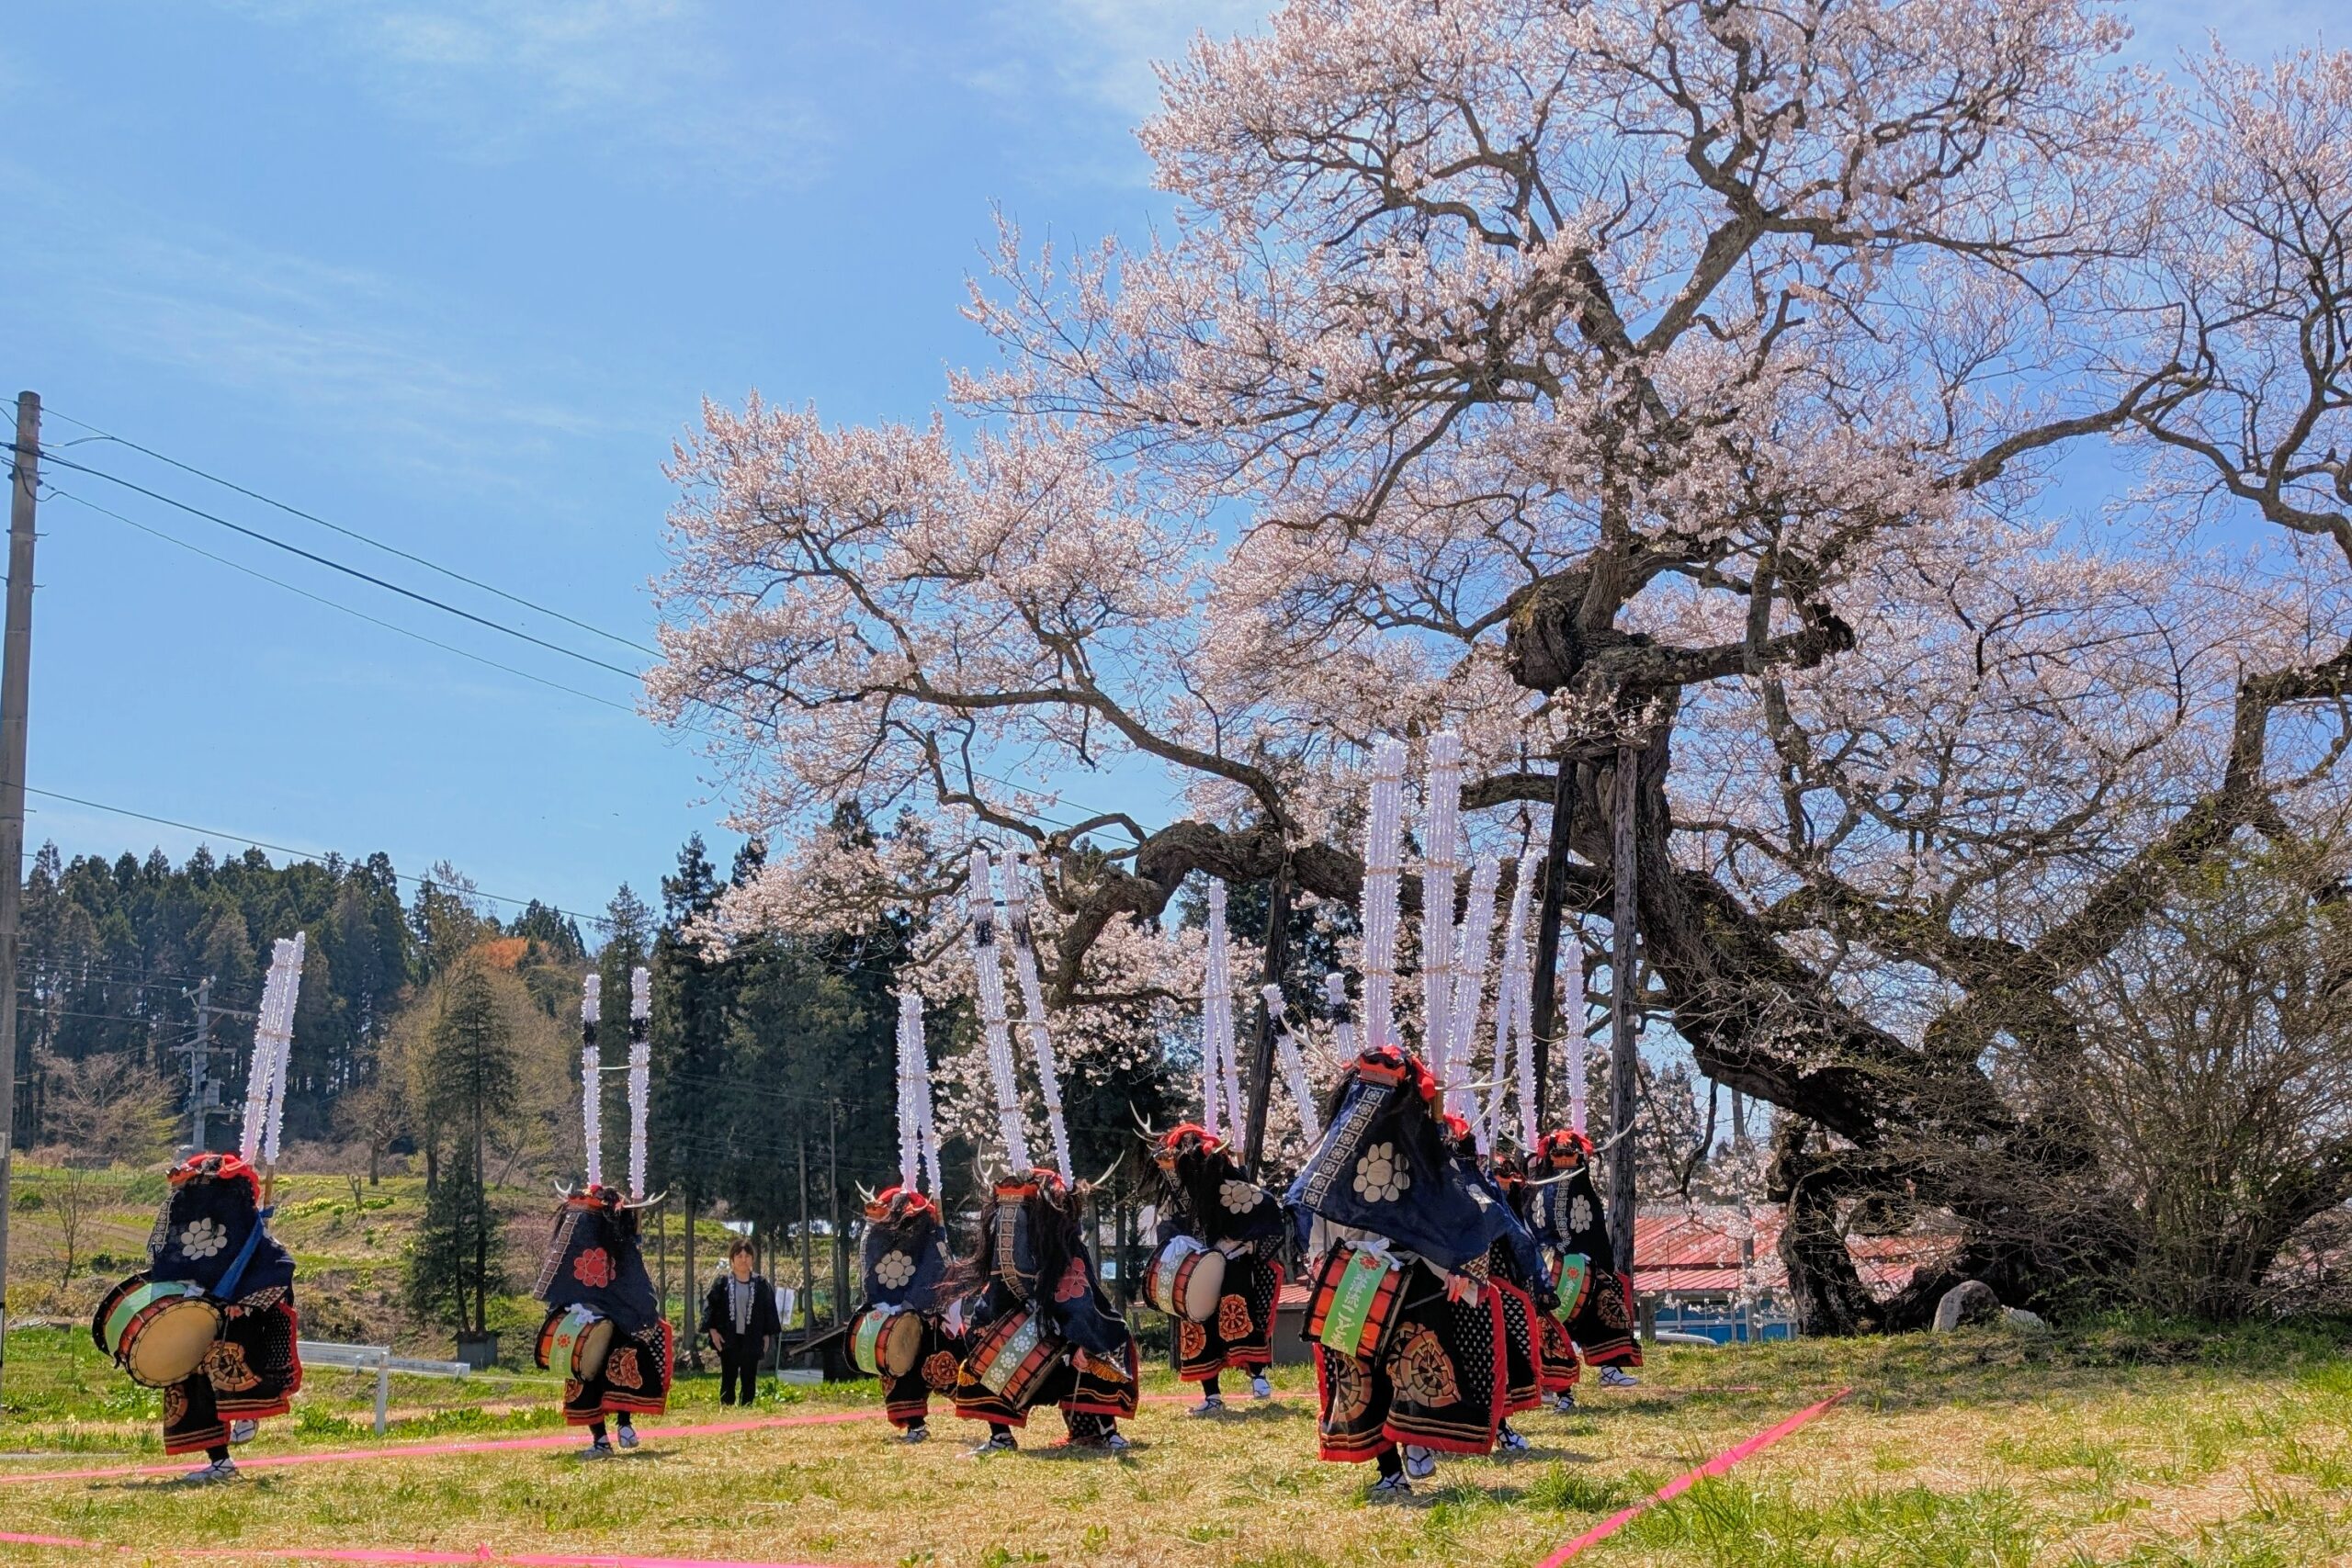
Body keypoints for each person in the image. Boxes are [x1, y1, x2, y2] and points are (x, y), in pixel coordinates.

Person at [1286, 1043, 1529, 1499]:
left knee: (1416, 1354)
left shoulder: (1425, 1148)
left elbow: (1455, 1206)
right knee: (1358, 1369)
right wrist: (1319, 1258)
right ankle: (1387, 1470)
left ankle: (1417, 1436)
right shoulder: (1335, 1150)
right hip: (1354, 1269)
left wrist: (1459, 1262)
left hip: (1416, 1268)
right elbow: (1316, 1203)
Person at [94, 1152, 302, 1482]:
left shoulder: (247, 1229)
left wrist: (244, 1301)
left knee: (231, 1359)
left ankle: (247, 1413)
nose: (191, 1194)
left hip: (245, 1321)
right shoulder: (185, 1222)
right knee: (186, 1374)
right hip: (198, 1315)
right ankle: (220, 1461)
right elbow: (172, 1268)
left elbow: (278, 1271)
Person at [951, 1168, 1138, 1455]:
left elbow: (1080, 1297)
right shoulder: (1003, 1254)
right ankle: (1000, 1435)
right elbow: (992, 1301)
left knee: (1104, 1339)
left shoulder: (1064, 1244)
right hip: (1022, 1334)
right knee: (981, 1349)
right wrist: (984, 1329)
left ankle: (1106, 1430)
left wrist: (1079, 1341)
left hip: (1062, 1344)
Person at [1148, 1123, 1284, 1414]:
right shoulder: (1179, 1191)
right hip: (1197, 1266)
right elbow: (1174, 1221)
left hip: (1233, 1262)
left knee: (1239, 1315)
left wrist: (1245, 1240)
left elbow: (1268, 1211)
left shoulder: (1230, 1187)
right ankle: (1212, 1395)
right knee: (1197, 1323)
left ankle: (1258, 1375)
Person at [535, 1183, 673, 1456]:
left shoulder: (620, 1247)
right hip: (586, 1325)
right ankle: (607, 1435)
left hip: (612, 1322)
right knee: (589, 1374)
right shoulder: (582, 1246)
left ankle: (621, 1427)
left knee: (619, 1369)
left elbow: (635, 1288)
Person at [1525, 1129, 1643, 1388]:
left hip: (1582, 1261)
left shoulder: (1582, 1184)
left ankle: (1610, 1368)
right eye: (1559, 1153)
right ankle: (1551, 1384)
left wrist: (1588, 1256)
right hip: (1546, 1265)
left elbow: (1594, 1228)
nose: (1565, 1158)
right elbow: (1532, 1225)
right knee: (1546, 1320)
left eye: (1570, 1153)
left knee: (1607, 1298)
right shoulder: (1538, 1187)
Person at [854, 1184, 960, 1442]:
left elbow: (936, 1270)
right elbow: (871, 1272)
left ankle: (983, 1409)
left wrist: (913, 1303)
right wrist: (882, 1305)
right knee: (899, 1370)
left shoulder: (930, 1235)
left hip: (927, 1314)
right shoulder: (877, 1235)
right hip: (892, 1316)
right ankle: (916, 1425)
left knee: (948, 1365)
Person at [701, 1238, 781, 1408]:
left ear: (752, 1259)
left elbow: (768, 1311)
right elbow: (710, 1307)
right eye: (739, 1256)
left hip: (751, 1339)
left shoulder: (761, 1284)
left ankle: (746, 1407)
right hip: (728, 1338)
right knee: (728, 1376)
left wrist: (766, 1335)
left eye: (747, 1256)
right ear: (732, 1259)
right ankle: (727, 1407)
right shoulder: (722, 1283)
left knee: (749, 1377)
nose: (743, 1259)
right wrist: (713, 1332)